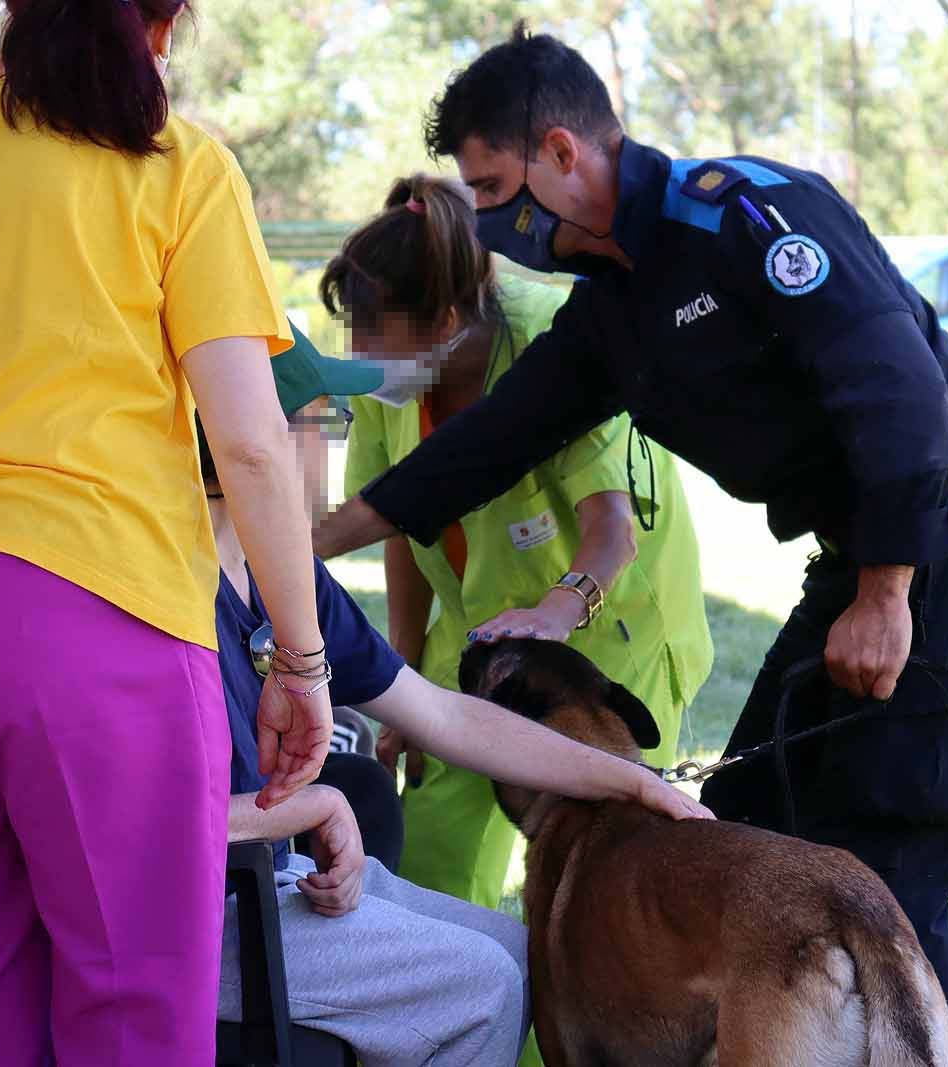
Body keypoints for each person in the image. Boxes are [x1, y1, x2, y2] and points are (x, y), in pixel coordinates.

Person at [312, 26, 948, 1062]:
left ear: (563, 155)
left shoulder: (747, 213)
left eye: (490, 186)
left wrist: (888, 593)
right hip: (859, 555)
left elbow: (897, 389)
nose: (483, 220)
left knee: (887, 862)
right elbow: (476, 451)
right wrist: (297, 545)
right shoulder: (609, 310)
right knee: (736, 816)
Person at [0, 2, 331, 1063]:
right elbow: (255, 445)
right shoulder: (179, 165)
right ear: (168, 27)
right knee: (133, 1008)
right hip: (89, 611)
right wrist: (302, 657)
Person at [200, 339, 712, 1063]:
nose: (334, 445)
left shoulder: (283, 575)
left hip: (270, 879)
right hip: (196, 914)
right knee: (488, 989)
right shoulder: (170, 588)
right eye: (324, 420)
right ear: (252, 436)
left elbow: (443, 715)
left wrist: (632, 779)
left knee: (514, 948)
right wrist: (310, 806)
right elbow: (134, 826)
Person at [320, 174, 713, 911]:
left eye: (376, 332)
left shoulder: (557, 342)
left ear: (443, 317)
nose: (360, 352)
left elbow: (611, 531)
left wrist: (557, 612)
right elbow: (395, 519)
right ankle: (454, 1021)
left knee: (600, 889)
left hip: (600, 644)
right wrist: (402, 663)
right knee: (422, 875)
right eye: (354, 331)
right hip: (471, 643)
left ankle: (552, 1030)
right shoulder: (390, 386)